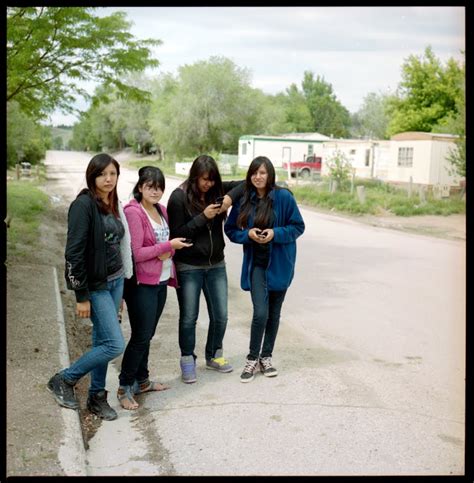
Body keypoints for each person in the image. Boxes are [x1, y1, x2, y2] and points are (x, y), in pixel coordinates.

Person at [47, 153, 133, 420]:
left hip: (116, 280)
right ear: (92, 176)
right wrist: (81, 296)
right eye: (102, 174)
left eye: (113, 174)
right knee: (114, 345)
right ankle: (64, 379)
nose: (108, 179)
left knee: (102, 340)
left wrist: (123, 283)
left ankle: (97, 396)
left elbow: (119, 245)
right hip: (96, 286)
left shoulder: (113, 203)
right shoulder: (83, 205)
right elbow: (73, 254)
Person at [224, 156, 305, 382]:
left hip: (281, 264)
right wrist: (247, 235)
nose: (258, 177)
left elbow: (298, 226)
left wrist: (275, 233)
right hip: (257, 264)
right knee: (261, 313)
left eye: (262, 173)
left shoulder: (284, 197)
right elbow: (230, 230)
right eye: (254, 173)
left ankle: (266, 357)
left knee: (274, 314)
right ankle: (251, 359)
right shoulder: (244, 200)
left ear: (270, 175)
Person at [117, 166, 191, 410]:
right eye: (150, 186)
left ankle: (143, 380)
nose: (155, 191)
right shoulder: (134, 212)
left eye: (159, 187)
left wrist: (167, 249)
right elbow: (136, 253)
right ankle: (124, 386)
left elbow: (166, 247)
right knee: (140, 335)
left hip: (160, 281)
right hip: (141, 285)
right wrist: (166, 247)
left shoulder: (162, 210)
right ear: (140, 187)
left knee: (147, 334)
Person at [167, 155, 244, 383]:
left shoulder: (216, 191)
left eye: (212, 180)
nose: (208, 184)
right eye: (204, 180)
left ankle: (214, 355)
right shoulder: (178, 197)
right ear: (194, 176)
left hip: (216, 264)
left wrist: (229, 198)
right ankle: (187, 360)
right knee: (189, 317)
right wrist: (204, 217)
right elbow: (177, 234)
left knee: (221, 316)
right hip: (189, 265)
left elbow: (246, 183)